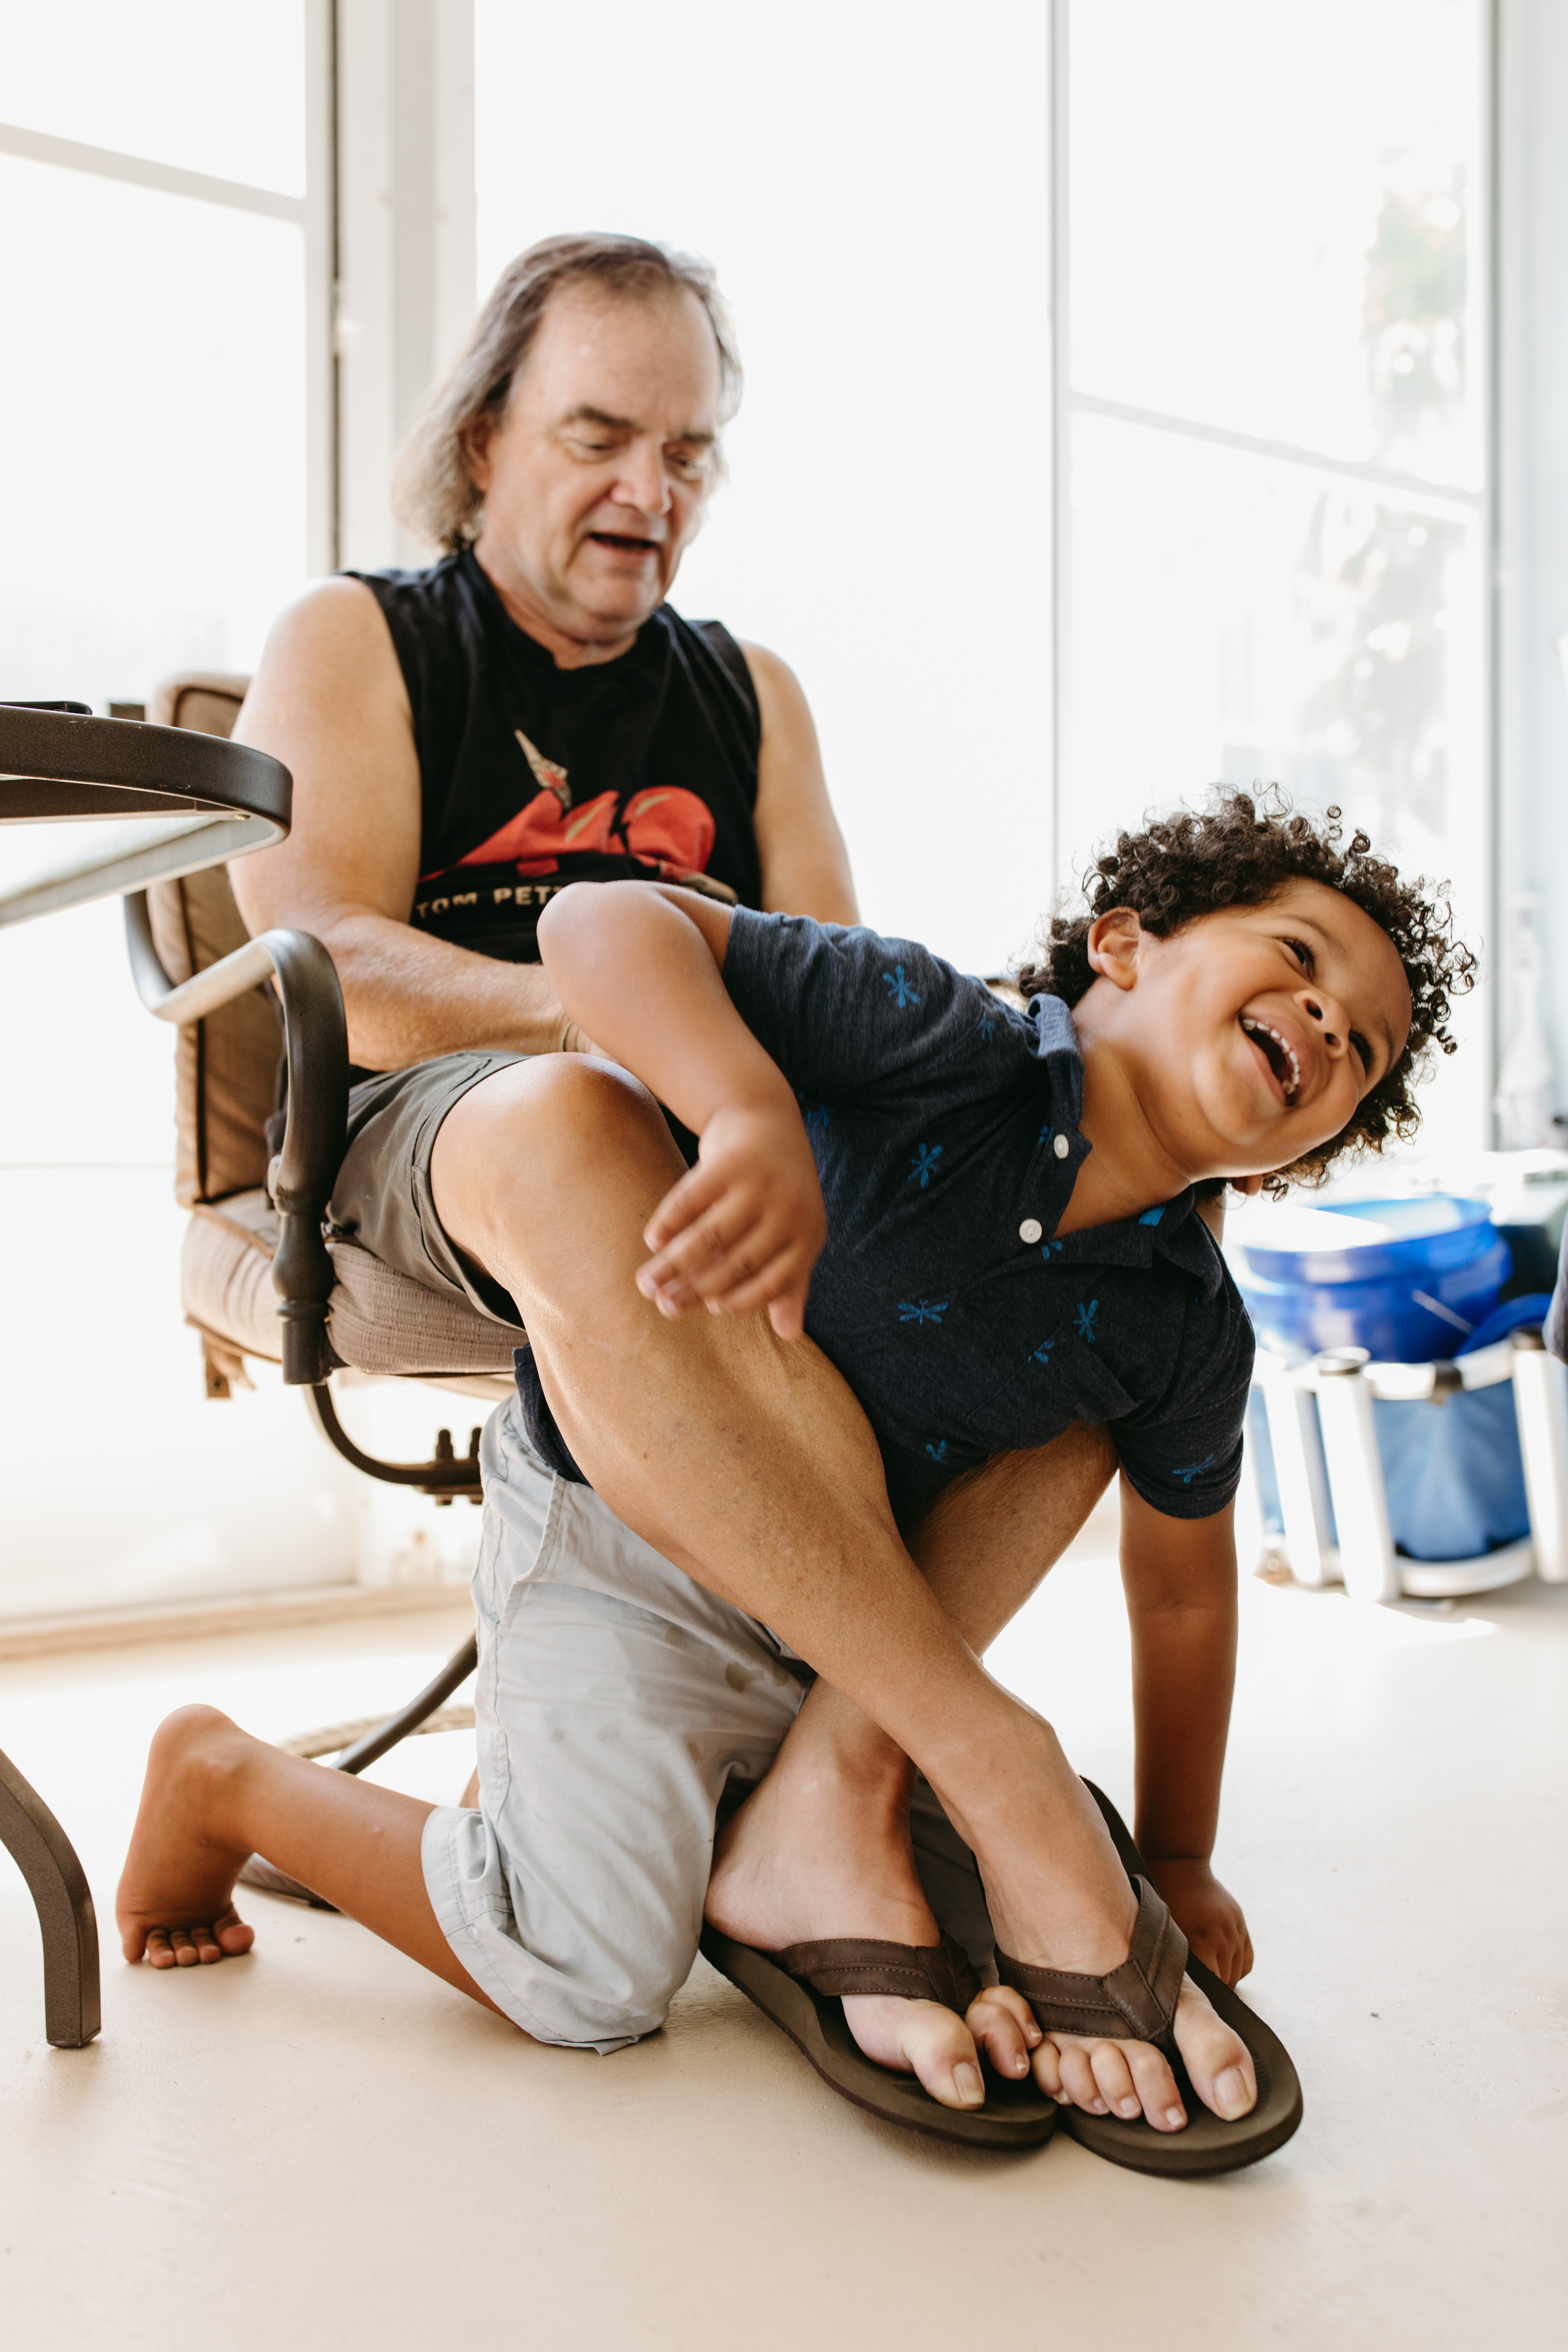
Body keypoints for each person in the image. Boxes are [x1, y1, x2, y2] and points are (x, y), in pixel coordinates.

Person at [117, 794, 1471, 2146]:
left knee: (1002, 1884)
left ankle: (818, 1818)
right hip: (619, 1533)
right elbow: (599, 918)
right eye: (1297, 957)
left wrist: (1181, 1855)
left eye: (1365, 1046)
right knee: (587, 1972)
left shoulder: (1188, 1323)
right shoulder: (940, 1031)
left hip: (850, 1650)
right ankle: (224, 1780)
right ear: (1121, 944)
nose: (1326, 1022)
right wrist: (744, 1107)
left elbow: (1184, 1596)